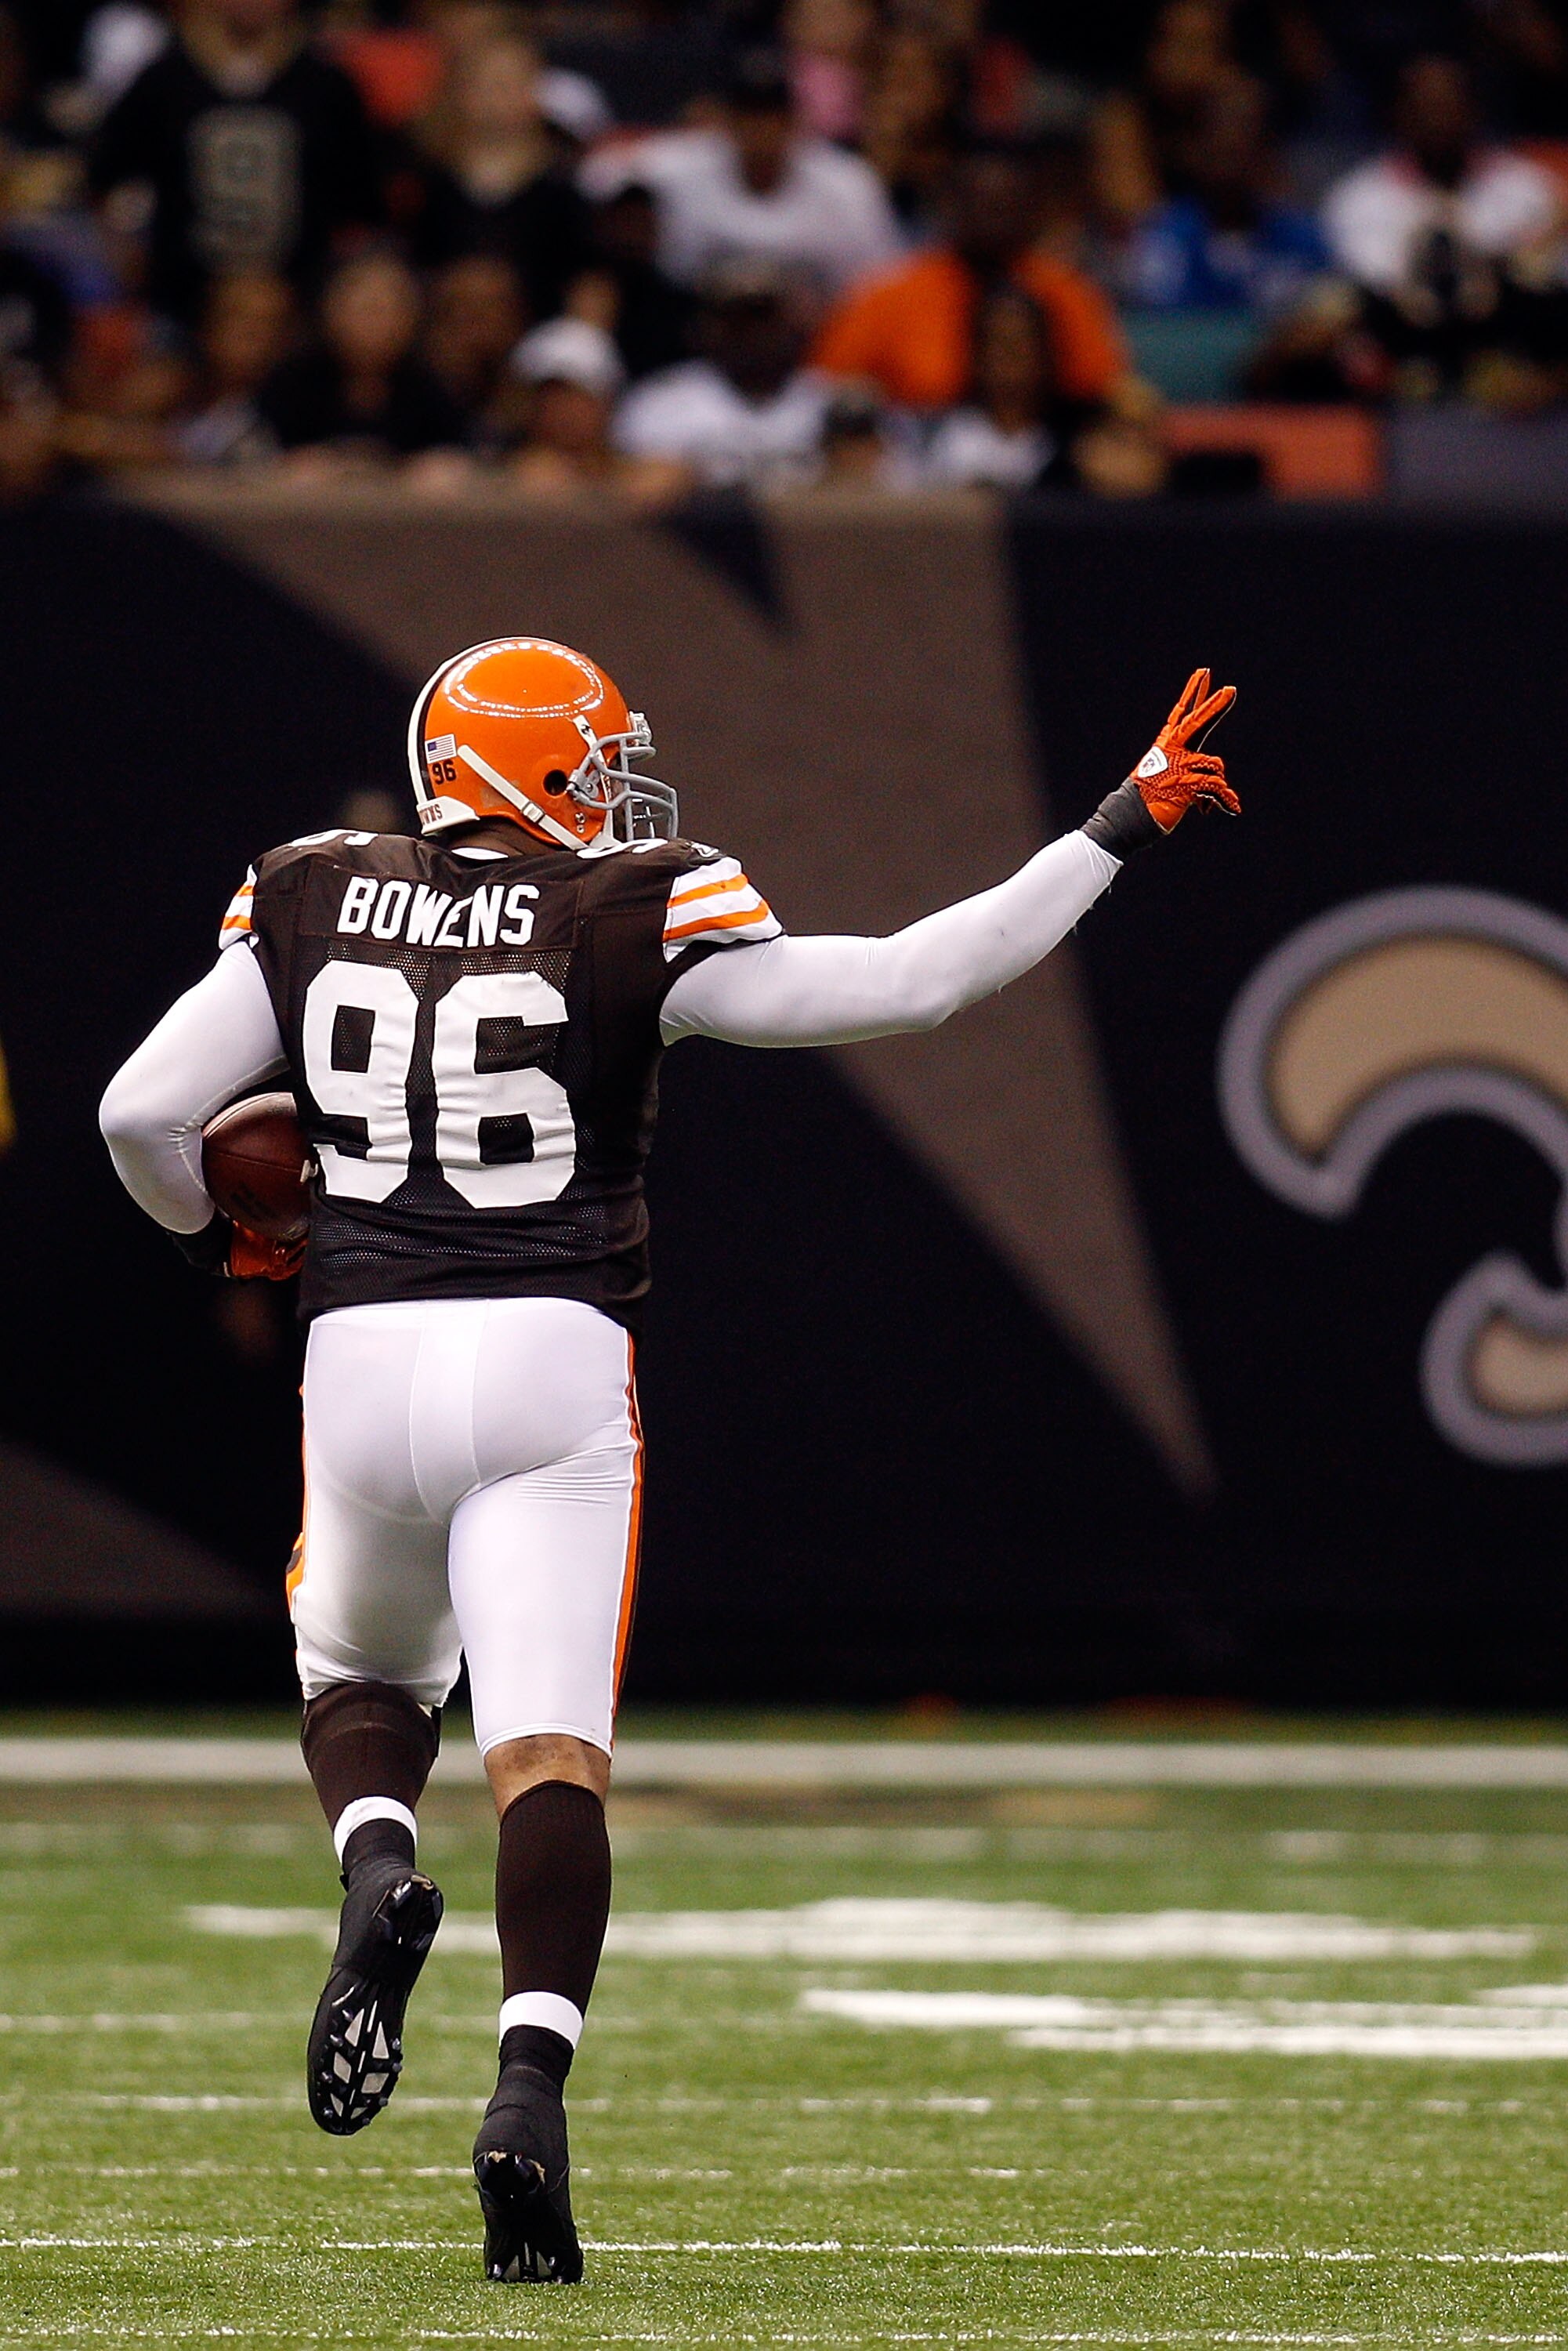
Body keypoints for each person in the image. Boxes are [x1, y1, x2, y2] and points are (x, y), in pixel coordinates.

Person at [98, 643, 1239, 2284]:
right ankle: (527, 2094)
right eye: (594, 758)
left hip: (360, 1354)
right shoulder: (637, 904)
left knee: (356, 1665)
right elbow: (915, 978)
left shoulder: (307, 889)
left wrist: (223, 1236)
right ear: (534, 768)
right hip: (553, 1357)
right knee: (548, 1754)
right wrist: (1116, 822)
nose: (618, 788)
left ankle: (375, 1866)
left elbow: (142, 1116)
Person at [89, 0, 381, 324]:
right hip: (183, 310)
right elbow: (104, 176)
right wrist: (128, 260)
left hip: (300, 314)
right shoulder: (165, 80)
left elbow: (362, 204)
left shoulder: (327, 85)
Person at [813, 137, 1128, 411]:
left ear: (1031, 208)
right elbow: (825, 389)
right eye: (980, 202)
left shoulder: (1066, 293)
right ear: (951, 205)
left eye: (1004, 205)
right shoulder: (890, 294)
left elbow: (1105, 390)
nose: (991, 218)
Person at [582, 47, 902, 306]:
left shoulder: (848, 184)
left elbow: (883, 285)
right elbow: (596, 174)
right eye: (750, 117)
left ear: (795, 122)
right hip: (701, 325)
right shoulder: (686, 162)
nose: (761, 131)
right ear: (728, 121)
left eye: (773, 118)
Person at [1322, 53, 1562, 298]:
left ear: (1474, 110)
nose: (1438, 120)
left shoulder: (1526, 185)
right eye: (1425, 107)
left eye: (1449, 105)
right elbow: (1377, 279)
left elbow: (1545, 267)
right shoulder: (1360, 198)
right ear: (1398, 114)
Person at [409, 27, 590, 326]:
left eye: (515, 84)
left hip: (540, 332)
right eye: (492, 84)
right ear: (462, 92)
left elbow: (583, 279)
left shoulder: (562, 186)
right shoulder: (432, 183)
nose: (502, 97)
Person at [613, 259, 831, 489]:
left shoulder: (830, 403)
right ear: (705, 328)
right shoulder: (659, 404)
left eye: (764, 318)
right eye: (736, 323)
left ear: (794, 325)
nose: (753, 335)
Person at [256, 247, 468, 468]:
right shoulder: (292, 383)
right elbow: (257, 456)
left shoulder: (431, 386)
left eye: (388, 310)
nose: (376, 325)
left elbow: (459, 455)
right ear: (331, 311)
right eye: (366, 310)